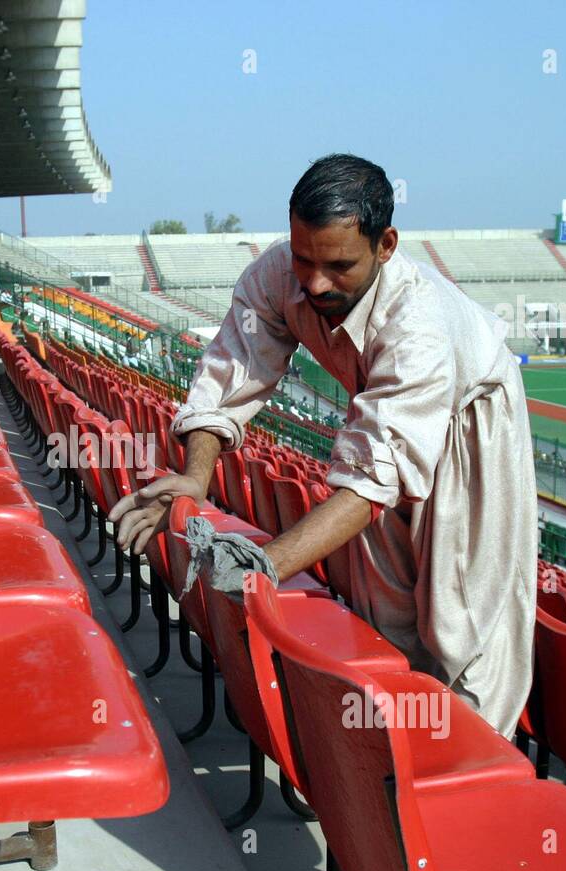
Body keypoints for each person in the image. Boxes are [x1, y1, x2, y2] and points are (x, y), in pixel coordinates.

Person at [109, 153, 536, 738]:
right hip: (382, 420)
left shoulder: (421, 329)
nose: (313, 282)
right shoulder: (279, 272)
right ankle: (389, 757)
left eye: (338, 265)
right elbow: (230, 370)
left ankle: (473, 767)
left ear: (386, 244)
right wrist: (196, 476)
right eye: (303, 257)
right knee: (386, 612)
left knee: (462, 625)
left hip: (471, 428)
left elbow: (369, 486)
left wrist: (265, 568)